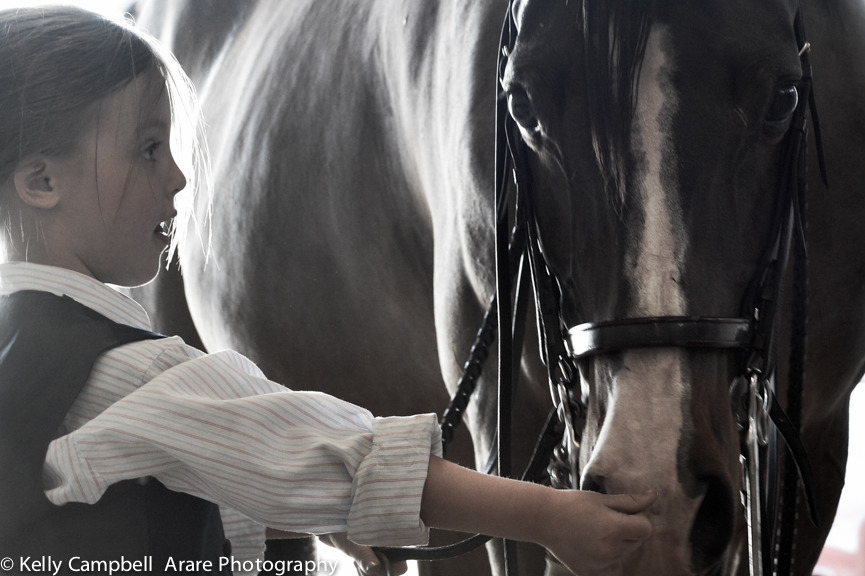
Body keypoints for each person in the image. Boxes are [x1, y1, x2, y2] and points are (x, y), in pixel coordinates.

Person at [0, 6, 655, 576]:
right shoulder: (135, 376)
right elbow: (339, 455)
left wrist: (293, 514)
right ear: (40, 182)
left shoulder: (23, 358)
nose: (177, 177)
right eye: (147, 149)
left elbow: (131, 512)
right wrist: (552, 517)